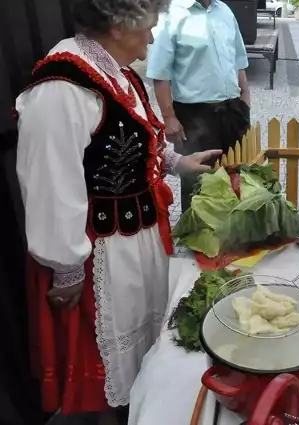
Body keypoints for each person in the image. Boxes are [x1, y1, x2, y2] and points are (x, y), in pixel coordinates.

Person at [14, 0, 220, 423]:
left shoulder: (120, 75)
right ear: (118, 24)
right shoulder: (62, 86)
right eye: (150, 24)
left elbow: (138, 144)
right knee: (106, 373)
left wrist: (179, 162)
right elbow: (51, 185)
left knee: (142, 359)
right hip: (100, 257)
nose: (153, 35)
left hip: (137, 245)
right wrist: (66, 266)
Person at [147, 0, 250, 212]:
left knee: (237, 175)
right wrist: (169, 118)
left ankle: (234, 237)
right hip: (194, 116)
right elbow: (160, 74)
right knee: (198, 183)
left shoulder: (224, 10)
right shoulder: (172, 14)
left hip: (232, 111)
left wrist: (245, 96)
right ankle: (197, 240)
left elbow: (238, 58)